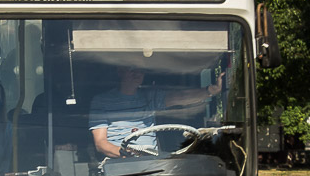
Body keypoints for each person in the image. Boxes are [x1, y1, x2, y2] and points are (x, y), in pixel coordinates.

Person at [89, 65, 221, 160]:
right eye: (132, 69)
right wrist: (124, 153)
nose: (137, 73)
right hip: (119, 165)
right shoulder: (101, 101)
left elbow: (179, 97)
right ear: (120, 71)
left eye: (141, 70)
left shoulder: (150, 97)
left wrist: (209, 91)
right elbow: (101, 143)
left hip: (151, 164)